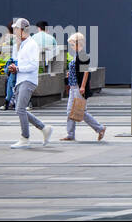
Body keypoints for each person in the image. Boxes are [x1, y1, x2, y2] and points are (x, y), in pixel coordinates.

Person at [8, 18, 51, 147]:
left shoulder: (31, 44)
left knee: (20, 109)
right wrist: (15, 69)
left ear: (23, 30)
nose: (14, 31)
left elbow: (33, 65)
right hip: (22, 80)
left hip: (28, 80)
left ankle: (25, 138)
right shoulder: (23, 43)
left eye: (16, 29)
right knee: (19, 109)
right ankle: (44, 128)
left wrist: (18, 68)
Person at [61, 32, 105, 142]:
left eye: (72, 44)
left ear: (78, 43)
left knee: (81, 112)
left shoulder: (83, 55)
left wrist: (83, 87)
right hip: (73, 86)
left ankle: (100, 128)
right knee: (70, 111)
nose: (71, 47)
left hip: (78, 87)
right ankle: (70, 134)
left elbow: (86, 72)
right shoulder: (78, 55)